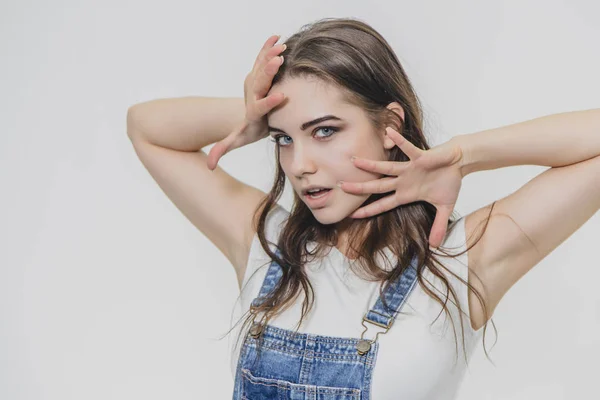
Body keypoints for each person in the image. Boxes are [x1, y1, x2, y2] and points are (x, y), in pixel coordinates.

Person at [126, 17, 600, 400]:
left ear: (389, 126)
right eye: (285, 138)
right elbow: (145, 126)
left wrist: (462, 154)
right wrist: (253, 115)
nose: (300, 165)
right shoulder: (265, 243)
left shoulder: (460, 258)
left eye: (325, 130)